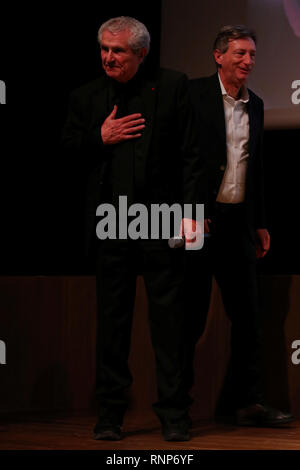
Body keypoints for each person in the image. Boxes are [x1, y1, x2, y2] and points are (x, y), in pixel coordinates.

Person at [62, 16, 203, 441]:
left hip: (160, 220)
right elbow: (67, 152)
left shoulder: (174, 85)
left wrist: (192, 213)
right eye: (104, 49)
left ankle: (175, 416)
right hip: (112, 220)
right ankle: (109, 416)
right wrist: (98, 138)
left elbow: (191, 156)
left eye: (118, 50)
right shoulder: (85, 97)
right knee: (112, 326)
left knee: (170, 326)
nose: (109, 57)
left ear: (141, 53)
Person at [188, 25, 293, 426]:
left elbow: (257, 169)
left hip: (239, 225)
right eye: (240, 53)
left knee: (249, 317)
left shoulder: (259, 104)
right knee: (190, 318)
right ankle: (178, 405)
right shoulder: (194, 94)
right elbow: (180, 158)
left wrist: (261, 223)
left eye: (252, 54)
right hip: (200, 221)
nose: (248, 61)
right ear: (218, 56)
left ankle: (249, 402)